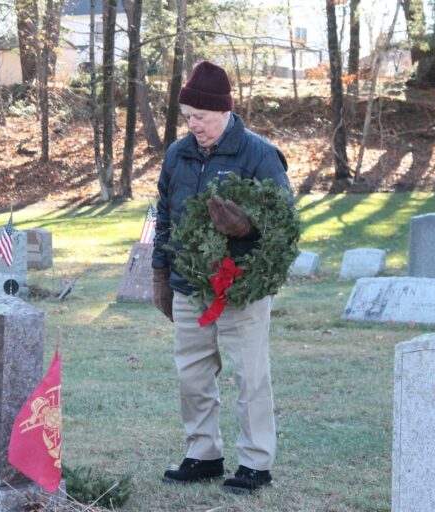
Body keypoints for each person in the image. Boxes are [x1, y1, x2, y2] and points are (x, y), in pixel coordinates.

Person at [151, 60, 292, 494]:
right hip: (190, 287)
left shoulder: (258, 154)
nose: (195, 126)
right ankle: (203, 453)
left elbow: (284, 222)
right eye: (189, 117)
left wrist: (246, 228)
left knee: (250, 376)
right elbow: (164, 217)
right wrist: (160, 272)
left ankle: (256, 463)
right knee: (192, 374)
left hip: (241, 288)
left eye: (203, 118)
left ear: (226, 112)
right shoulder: (178, 154)